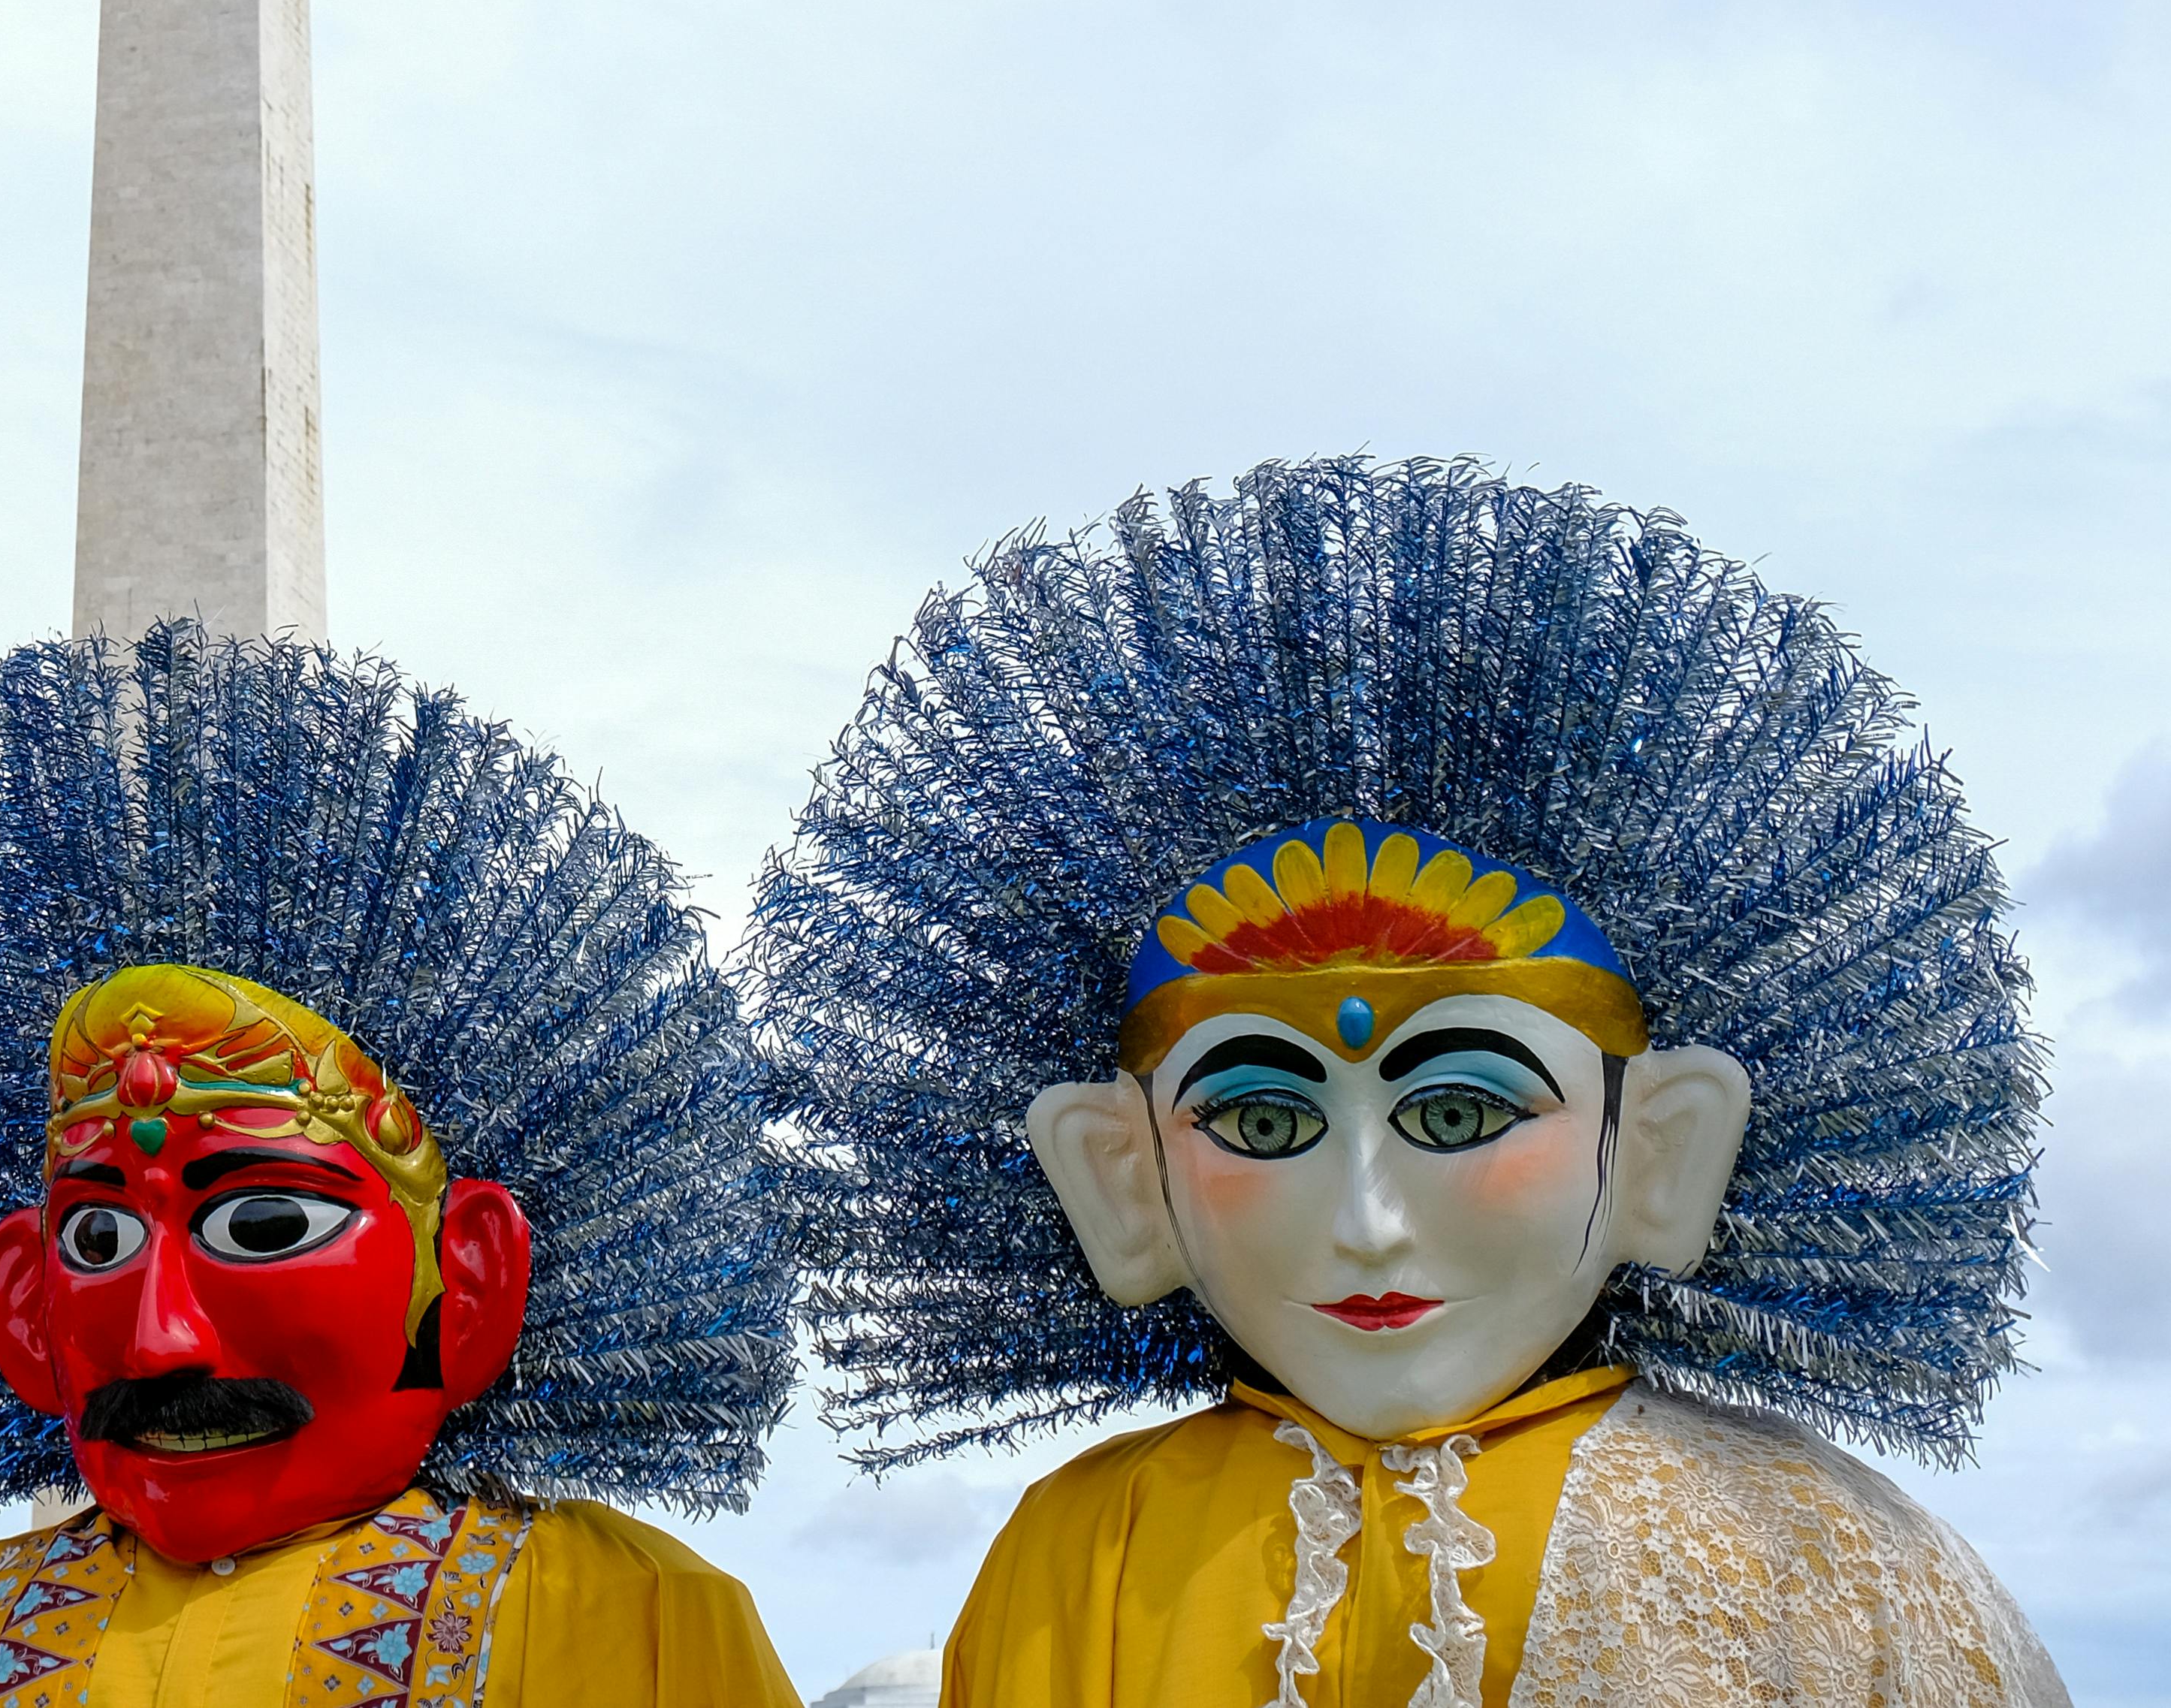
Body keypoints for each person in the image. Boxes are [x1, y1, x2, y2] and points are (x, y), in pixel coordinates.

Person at [752, 454, 2071, 1708]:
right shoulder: (1084, 1545)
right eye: (1262, 1120)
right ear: (1121, 1179)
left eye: (1456, 1112)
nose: (1367, 1217)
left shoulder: (1818, 1557)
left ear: (1660, 1151)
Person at [0, 623, 807, 1708]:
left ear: (465, 1279)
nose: (159, 1334)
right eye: (99, 1239)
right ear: (24, 1307)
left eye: (265, 1226)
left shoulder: (622, 1620)